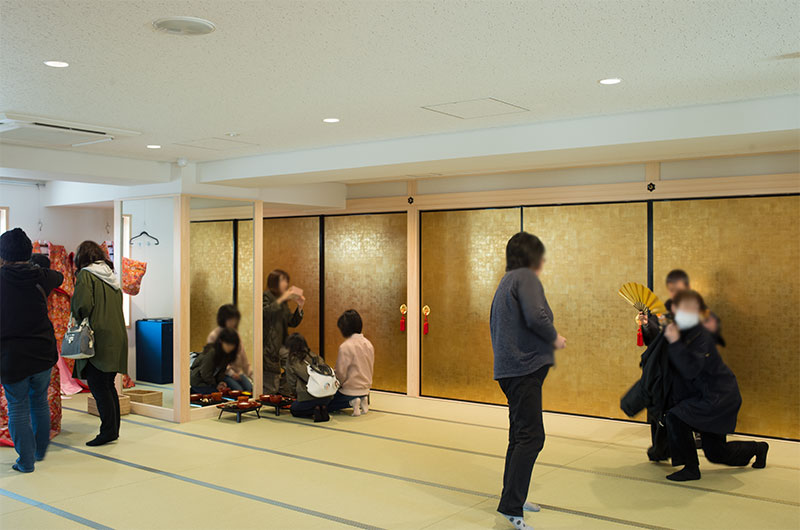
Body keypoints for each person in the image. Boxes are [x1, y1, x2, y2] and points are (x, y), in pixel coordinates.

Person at [490, 232, 567, 530]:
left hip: (512, 371)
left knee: (519, 436)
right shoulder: (525, 278)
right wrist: (555, 338)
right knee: (532, 437)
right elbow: (536, 317)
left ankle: (513, 498)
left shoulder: (508, 279)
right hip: (522, 372)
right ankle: (512, 507)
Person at [663, 290, 768, 482]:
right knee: (716, 453)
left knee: (675, 417)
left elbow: (691, 368)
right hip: (706, 396)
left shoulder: (701, 335)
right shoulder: (683, 334)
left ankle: (691, 469)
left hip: (719, 397)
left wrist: (674, 343)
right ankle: (758, 448)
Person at [0, 228, 63, 472]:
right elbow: (58, 277)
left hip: (11, 356)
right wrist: (36, 264)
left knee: (18, 407)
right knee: (39, 402)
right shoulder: (41, 276)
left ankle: (26, 462)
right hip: (42, 352)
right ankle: (39, 451)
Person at [72, 240, 128, 447]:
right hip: (116, 336)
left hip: (99, 338)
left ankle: (107, 432)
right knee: (107, 384)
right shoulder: (111, 276)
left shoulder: (86, 275)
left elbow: (82, 306)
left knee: (98, 385)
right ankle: (112, 430)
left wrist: (75, 312)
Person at [262, 269, 304, 394]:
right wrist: (281, 299)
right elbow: (264, 313)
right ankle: (273, 396)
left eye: (286, 280)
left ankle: (282, 391)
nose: (286, 284)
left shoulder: (282, 300)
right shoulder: (266, 296)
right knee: (271, 381)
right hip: (268, 344)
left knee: (295, 364)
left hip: (282, 344)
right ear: (274, 282)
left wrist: (300, 307)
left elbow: (291, 322)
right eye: (283, 280)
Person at [327, 310, 374, 416]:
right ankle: (363, 400)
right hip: (366, 389)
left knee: (325, 404)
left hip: (349, 390)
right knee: (359, 393)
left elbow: (341, 374)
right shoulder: (368, 344)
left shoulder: (346, 346)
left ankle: (351, 402)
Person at [284, 333, 333, 422]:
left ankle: (315, 409)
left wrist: (296, 394)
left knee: (294, 409)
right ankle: (322, 407)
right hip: (327, 396)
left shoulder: (292, 361)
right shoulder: (315, 356)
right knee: (321, 402)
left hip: (308, 397)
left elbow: (292, 383)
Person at [207, 304, 253, 392]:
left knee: (249, 389)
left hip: (237, 372)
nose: (233, 323)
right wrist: (231, 373)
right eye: (230, 320)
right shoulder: (214, 335)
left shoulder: (236, 334)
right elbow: (217, 360)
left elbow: (243, 357)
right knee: (238, 390)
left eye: (235, 320)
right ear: (223, 319)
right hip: (223, 373)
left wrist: (252, 374)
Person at [191, 328, 240, 394]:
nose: (230, 347)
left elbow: (222, 371)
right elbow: (205, 373)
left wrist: (220, 382)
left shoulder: (226, 354)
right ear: (221, 341)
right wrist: (215, 385)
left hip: (209, 382)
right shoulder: (212, 352)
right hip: (199, 381)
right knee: (218, 396)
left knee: (228, 392)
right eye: (227, 344)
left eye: (232, 345)